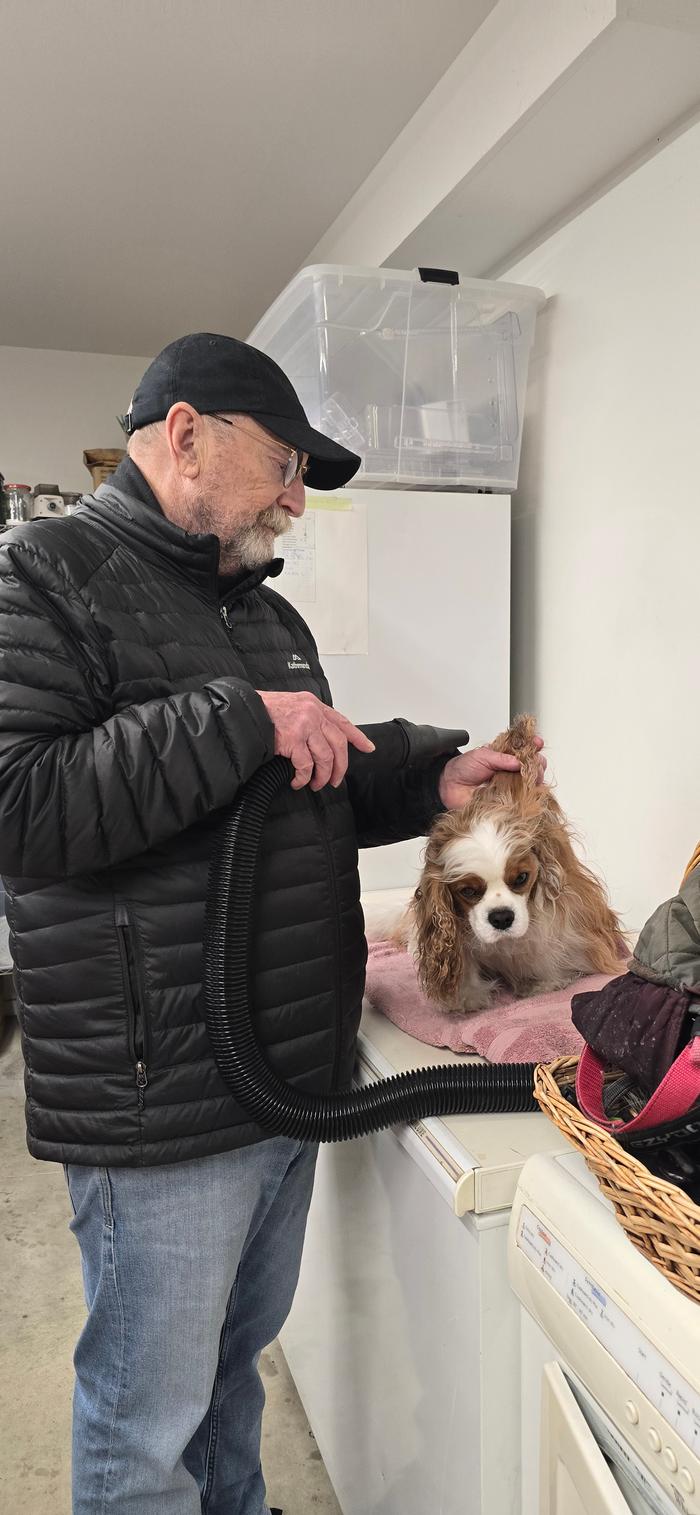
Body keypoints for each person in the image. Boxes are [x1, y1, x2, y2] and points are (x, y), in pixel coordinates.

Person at [0, 333, 543, 1514]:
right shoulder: (42, 575)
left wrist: (427, 776)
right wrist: (238, 717)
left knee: (229, 1380)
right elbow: (22, 805)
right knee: (146, 1423)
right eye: (285, 464)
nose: (297, 500)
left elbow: (305, 787)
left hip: (279, 1076)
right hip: (160, 1096)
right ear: (186, 435)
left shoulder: (260, 610)